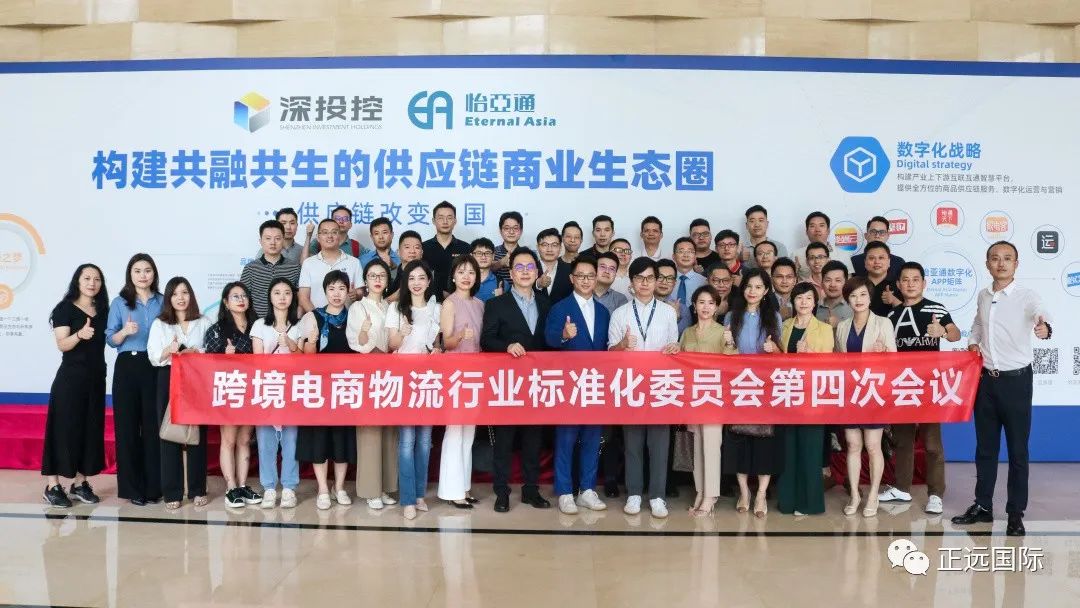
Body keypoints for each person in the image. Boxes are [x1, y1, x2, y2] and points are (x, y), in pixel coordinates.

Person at [952, 241, 1052, 537]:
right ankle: (983, 506)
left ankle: (1015, 514)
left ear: (1016, 264)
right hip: (986, 382)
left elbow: (1041, 314)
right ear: (987, 264)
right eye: (995, 258)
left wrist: (1044, 327)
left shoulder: (1027, 296)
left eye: (1007, 258)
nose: (1001, 263)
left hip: (1016, 382)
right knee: (985, 449)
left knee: (1018, 451)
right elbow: (978, 325)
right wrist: (973, 342)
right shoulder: (984, 295)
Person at [879, 262, 960, 515]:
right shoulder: (891, 316)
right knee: (902, 441)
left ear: (924, 283)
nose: (910, 284)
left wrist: (942, 332)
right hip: (902, 385)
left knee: (932, 443)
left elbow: (956, 334)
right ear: (898, 285)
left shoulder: (936, 308)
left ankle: (935, 494)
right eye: (905, 279)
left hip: (929, 385)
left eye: (916, 279)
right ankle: (902, 489)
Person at [480, 248, 553, 513]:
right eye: (519, 267)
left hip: (537, 383)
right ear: (511, 273)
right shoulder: (496, 304)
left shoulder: (547, 304)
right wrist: (507, 346)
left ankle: (531, 490)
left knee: (533, 439)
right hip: (507, 385)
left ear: (537, 272)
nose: (525, 272)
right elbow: (486, 339)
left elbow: (550, 342)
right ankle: (501, 492)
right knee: (504, 441)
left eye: (530, 267)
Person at [608, 257, 681, 518]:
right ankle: (635, 493)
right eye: (639, 278)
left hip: (660, 385)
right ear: (632, 282)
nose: (645, 283)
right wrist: (622, 345)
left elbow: (674, 346)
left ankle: (658, 496)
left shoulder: (668, 312)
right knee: (633, 442)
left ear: (657, 281)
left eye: (650, 278)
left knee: (659, 444)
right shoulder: (620, 313)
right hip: (631, 385)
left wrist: (675, 348)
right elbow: (610, 353)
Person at [544, 255, 610, 515]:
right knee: (566, 438)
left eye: (590, 276)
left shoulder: (603, 311)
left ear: (596, 278)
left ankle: (587, 490)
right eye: (580, 276)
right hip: (569, 385)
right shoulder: (560, 308)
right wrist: (563, 335)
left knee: (593, 437)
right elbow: (548, 340)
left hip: (595, 384)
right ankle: (564, 492)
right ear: (572, 279)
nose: (585, 280)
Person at [42, 264, 109, 508]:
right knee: (62, 429)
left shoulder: (103, 310)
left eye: (97, 279)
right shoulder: (64, 309)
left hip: (96, 380)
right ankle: (53, 486)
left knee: (90, 430)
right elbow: (62, 344)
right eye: (87, 278)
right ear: (77, 281)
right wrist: (79, 335)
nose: (92, 283)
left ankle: (80, 483)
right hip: (70, 380)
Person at [721, 268, 783, 518]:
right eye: (749, 286)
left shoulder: (774, 316)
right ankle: (745, 492)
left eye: (758, 287)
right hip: (739, 385)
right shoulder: (731, 316)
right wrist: (728, 343)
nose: (753, 291)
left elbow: (781, 355)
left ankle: (761, 494)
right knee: (739, 441)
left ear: (766, 290)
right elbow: (725, 355)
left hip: (765, 387)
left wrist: (773, 349)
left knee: (764, 442)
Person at [147, 277, 211, 510]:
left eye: (184, 292)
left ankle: (197, 489)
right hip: (169, 377)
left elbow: (211, 350)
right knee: (169, 433)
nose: (180, 298)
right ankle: (172, 491)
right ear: (168, 298)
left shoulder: (203, 321)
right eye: (175, 294)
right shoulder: (160, 324)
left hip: (196, 378)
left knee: (197, 434)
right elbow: (153, 357)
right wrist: (169, 350)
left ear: (191, 295)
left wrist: (196, 352)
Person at [835, 276, 897, 518]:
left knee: (872, 446)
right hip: (850, 393)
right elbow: (838, 361)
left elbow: (895, 360)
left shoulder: (883, 323)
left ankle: (872, 494)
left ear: (870, 297)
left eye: (862, 294)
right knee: (853, 445)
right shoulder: (842, 326)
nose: (858, 299)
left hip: (873, 392)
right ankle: (854, 494)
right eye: (853, 295)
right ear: (847, 300)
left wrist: (884, 354)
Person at [297, 271, 359, 510]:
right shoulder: (313, 317)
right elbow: (306, 357)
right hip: (320, 391)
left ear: (347, 291)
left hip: (345, 389)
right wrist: (312, 342)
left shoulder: (354, 316)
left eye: (341, 288)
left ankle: (339, 487)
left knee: (342, 439)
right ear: (324, 291)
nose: (336, 294)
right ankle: (323, 488)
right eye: (331, 289)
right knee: (320, 439)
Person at [105, 253, 163, 506]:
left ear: (154, 274)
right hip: (128, 365)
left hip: (155, 366)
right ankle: (132, 489)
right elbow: (110, 339)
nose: (143, 275)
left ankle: (154, 487)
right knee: (127, 427)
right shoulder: (120, 303)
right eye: (137, 271)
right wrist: (124, 332)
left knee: (153, 427)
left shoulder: (163, 301)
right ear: (130, 274)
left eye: (147, 270)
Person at [387, 260, 442, 519]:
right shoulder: (396, 309)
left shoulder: (437, 309)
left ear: (429, 281)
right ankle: (408, 498)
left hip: (428, 380)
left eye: (421, 278)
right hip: (404, 380)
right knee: (407, 440)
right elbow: (391, 344)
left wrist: (438, 351)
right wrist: (402, 333)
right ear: (405, 282)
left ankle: (420, 494)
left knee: (425, 441)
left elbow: (438, 344)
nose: (417, 283)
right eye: (411, 278)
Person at [346, 258, 399, 509]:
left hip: (391, 374)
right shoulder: (358, 307)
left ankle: (386, 487)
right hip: (368, 373)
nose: (377, 280)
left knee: (389, 431)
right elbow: (357, 343)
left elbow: (396, 341)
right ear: (365, 281)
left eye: (382, 276)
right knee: (370, 431)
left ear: (387, 281)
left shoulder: (392, 307)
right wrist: (365, 331)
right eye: (372, 276)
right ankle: (370, 490)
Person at [777, 282, 833, 516]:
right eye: (799, 298)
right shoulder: (785, 325)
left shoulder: (824, 329)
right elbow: (780, 360)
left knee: (810, 450)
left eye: (808, 298)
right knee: (788, 450)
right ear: (793, 301)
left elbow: (829, 363)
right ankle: (787, 501)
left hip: (813, 396)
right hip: (788, 394)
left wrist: (809, 355)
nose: (803, 302)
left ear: (815, 302)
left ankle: (810, 503)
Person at [204, 281, 261, 508]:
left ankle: (243, 485)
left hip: (252, 390)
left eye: (244, 295)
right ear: (226, 303)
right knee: (228, 440)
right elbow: (207, 365)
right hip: (229, 389)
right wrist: (224, 357)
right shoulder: (216, 330)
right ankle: (231, 487)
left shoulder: (258, 326)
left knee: (245, 439)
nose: (241, 300)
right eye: (235, 296)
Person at [249, 277, 303, 510]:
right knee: (266, 442)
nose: (282, 297)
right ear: (270, 297)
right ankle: (269, 487)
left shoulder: (299, 326)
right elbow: (257, 361)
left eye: (287, 293)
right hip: (267, 389)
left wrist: (290, 344)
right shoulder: (259, 325)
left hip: (292, 390)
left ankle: (289, 488)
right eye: (277, 293)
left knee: (291, 441)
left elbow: (303, 360)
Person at [438, 255, 484, 509]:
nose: (466, 276)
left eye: (471, 272)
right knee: (454, 431)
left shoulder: (480, 304)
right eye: (461, 271)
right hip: (455, 374)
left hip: (475, 374)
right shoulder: (449, 303)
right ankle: (451, 490)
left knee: (469, 433)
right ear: (453, 276)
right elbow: (446, 342)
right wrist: (460, 336)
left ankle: (464, 487)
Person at [678, 285, 726, 516]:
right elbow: (680, 360)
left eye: (711, 303)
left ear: (716, 307)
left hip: (713, 395)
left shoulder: (723, 332)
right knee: (696, 445)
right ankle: (700, 490)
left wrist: (730, 344)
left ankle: (711, 495)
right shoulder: (687, 332)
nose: (706, 307)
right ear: (694, 306)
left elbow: (733, 363)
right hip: (692, 395)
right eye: (701, 302)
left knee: (711, 445)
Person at [594, 250, 628, 498]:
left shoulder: (621, 300)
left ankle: (610, 478)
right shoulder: (577, 296)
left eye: (611, 268)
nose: (606, 271)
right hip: (583, 372)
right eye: (602, 267)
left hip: (613, 373)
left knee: (611, 431)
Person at [241, 219, 301, 318]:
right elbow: (243, 298)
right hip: (257, 323)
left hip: (287, 323)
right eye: (268, 238)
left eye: (277, 238)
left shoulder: (295, 267)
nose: (273, 243)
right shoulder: (250, 268)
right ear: (261, 241)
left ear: (283, 240)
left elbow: (300, 298)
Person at [298, 218, 362, 313]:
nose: (330, 236)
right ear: (318, 237)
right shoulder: (308, 263)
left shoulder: (354, 262)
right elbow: (303, 298)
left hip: (347, 320)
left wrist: (356, 294)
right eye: (325, 232)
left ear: (339, 236)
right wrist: (319, 318)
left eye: (334, 232)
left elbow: (360, 292)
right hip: (316, 319)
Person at [423, 201, 471, 294]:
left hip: (459, 298)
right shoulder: (423, 248)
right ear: (433, 221)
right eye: (441, 218)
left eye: (449, 218)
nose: (445, 222)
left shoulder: (466, 248)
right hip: (428, 299)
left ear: (455, 221)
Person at [795, 211, 852, 280]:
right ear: (806, 231)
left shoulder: (843, 254)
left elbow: (849, 281)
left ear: (828, 231)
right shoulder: (796, 254)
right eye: (812, 226)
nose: (817, 230)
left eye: (821, 225)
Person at [669, 237, 706, 334]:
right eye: (681, 251)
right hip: (668, 328)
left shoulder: (704, 282)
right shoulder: (666, 280)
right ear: (673, 256)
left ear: (695, 256)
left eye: (690, 251)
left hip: (697, 331)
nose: (686, 255)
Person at [851, 216, 905, 280]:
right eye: (873, 232)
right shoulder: (853, 261)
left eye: (882, 232)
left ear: (887, 236)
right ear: (866, 235)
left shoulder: (899, 262)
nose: (877, 236)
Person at [861, 241, 902, 316]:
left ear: (889, 262)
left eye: (881, 258)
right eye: (871, 258)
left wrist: (894, 300)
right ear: (865, 262)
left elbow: (909, 313)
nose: (877, 262)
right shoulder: (857, 284)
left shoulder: (899, 285)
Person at [534, 228, 572, 303]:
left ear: (560, 248)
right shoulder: (529, 268)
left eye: (554, 245)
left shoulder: (570, 270)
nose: (549, 249)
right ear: (537, 247)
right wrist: (538, 284)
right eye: (545, 245)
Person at [388, 230, 425, 302]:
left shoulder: (430, 275)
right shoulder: (389, 275)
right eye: (407, 247)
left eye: (417, 247)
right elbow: (378, 303)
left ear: (422, 253)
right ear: (398, 252)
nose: (412, 251)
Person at [815, 261, 853, 328]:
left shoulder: (855, 306)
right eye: (828, 280)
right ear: (822, 283)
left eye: (838, 280)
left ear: (846, 283)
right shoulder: (813, 307)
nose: (832, 285)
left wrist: (839, 325)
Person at [491, 211, 523, 287]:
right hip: (497, 293)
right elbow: (483, 271)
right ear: (500, 231)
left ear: (521, 231)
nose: (511, 232)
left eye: (515, 228)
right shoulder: (492, 252)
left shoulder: (526, 254)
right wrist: (501, 263)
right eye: (507, 228)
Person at [468, 237, 503, 302]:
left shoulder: (502, 284)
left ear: (493, 256)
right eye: (479, 253)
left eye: (487, 253)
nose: (483, 257)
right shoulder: (464, 280)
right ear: (471, 256)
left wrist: (500, 300)